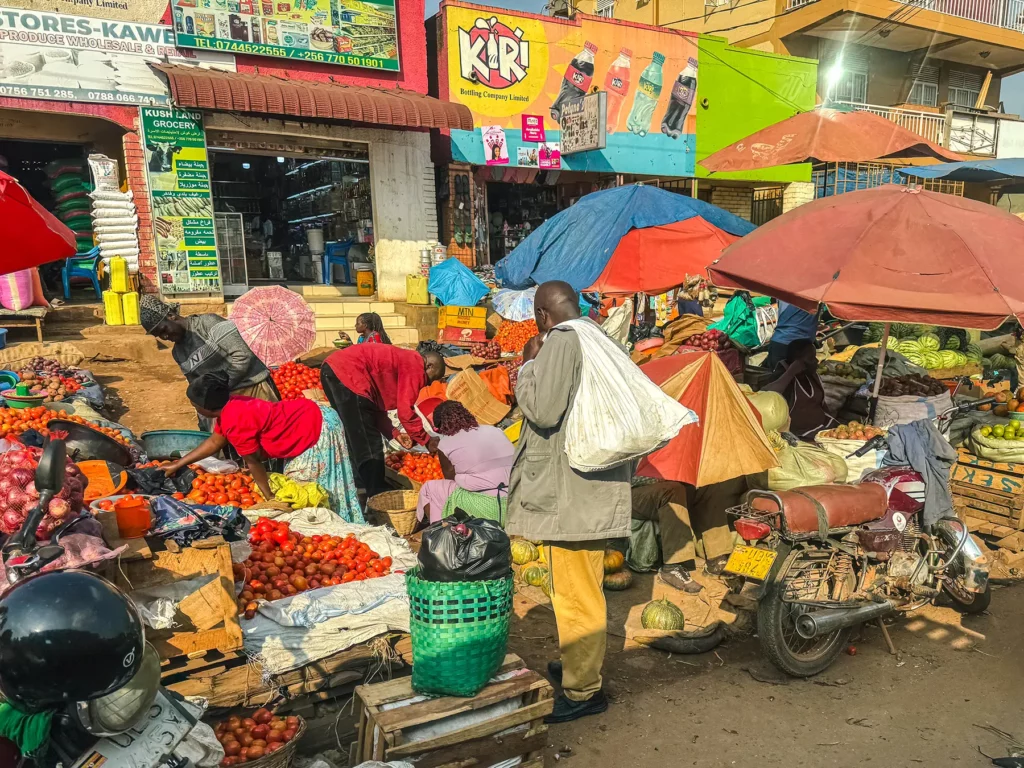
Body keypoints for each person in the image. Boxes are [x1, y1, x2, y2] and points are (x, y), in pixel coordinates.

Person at [508, 280, 631, 725]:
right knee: (574, 587)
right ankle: (578, 666)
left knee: (577, 593)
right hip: (589, 488)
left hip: (573, 494)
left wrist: (526, 367)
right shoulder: (598, 335)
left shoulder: (562, 340)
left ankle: (583, 692)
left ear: (542, 314)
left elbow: (541, 410)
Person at [163, 373, 363, 522]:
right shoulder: (231, 406)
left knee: (311, 492)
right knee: (307, 490)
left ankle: (335, 527)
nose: (195, 409)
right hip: (310, 416)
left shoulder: (234, 419)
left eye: (195, 405)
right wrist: (178, 464)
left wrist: (269, 498)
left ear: (207, 407)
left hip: (315, 427)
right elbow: (215, 442)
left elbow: (253, 461)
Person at [320, 344, 446, 499]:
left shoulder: (402, 360)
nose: (425, 384)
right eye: (429, 379)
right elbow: (406, 412)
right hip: (349, 374)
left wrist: (395, 434)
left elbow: (374, 407)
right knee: (368, 441)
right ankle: (376, 494)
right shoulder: (415, 364)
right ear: (429, 365)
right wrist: (427, 440)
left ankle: (360, 488)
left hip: (332, 371)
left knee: (355, 436)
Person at [140, 295, 278, 428]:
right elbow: (197, 386)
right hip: (223, 403)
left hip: (254, 390)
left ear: (171, 316)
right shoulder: (178, 353)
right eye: (159, 336)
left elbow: (243, 355)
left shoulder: (208, 323)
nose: (165, 336)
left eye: (164, 329)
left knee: (270, 440)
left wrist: (217, 390)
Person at [631, 478, 751, 593]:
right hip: (629, 492)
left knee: (710, 487)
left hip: (665, 483)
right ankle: (671, 567)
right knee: (673, 490)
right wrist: (659, 478)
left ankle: (716, 557)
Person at [416, 401, 514, 525]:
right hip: (515, 501)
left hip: (489, 508)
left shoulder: (446, 444)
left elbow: (450, 479)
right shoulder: (495, 430)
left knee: (428, 488)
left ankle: (441, 532)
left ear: (441, 426)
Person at [765, 338, 837, 441]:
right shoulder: (784, 378)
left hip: (823, 428)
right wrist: (791, 372)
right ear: (797, 361)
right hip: (800, 435)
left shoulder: (812, 376)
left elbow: (822, 404)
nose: (816, 361)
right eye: (811, 358)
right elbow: (767, 395)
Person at [766, 301, 818, 370]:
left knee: (776, 376)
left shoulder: (785, 293)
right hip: (796, 348)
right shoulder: (815, 295)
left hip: (778, 341)